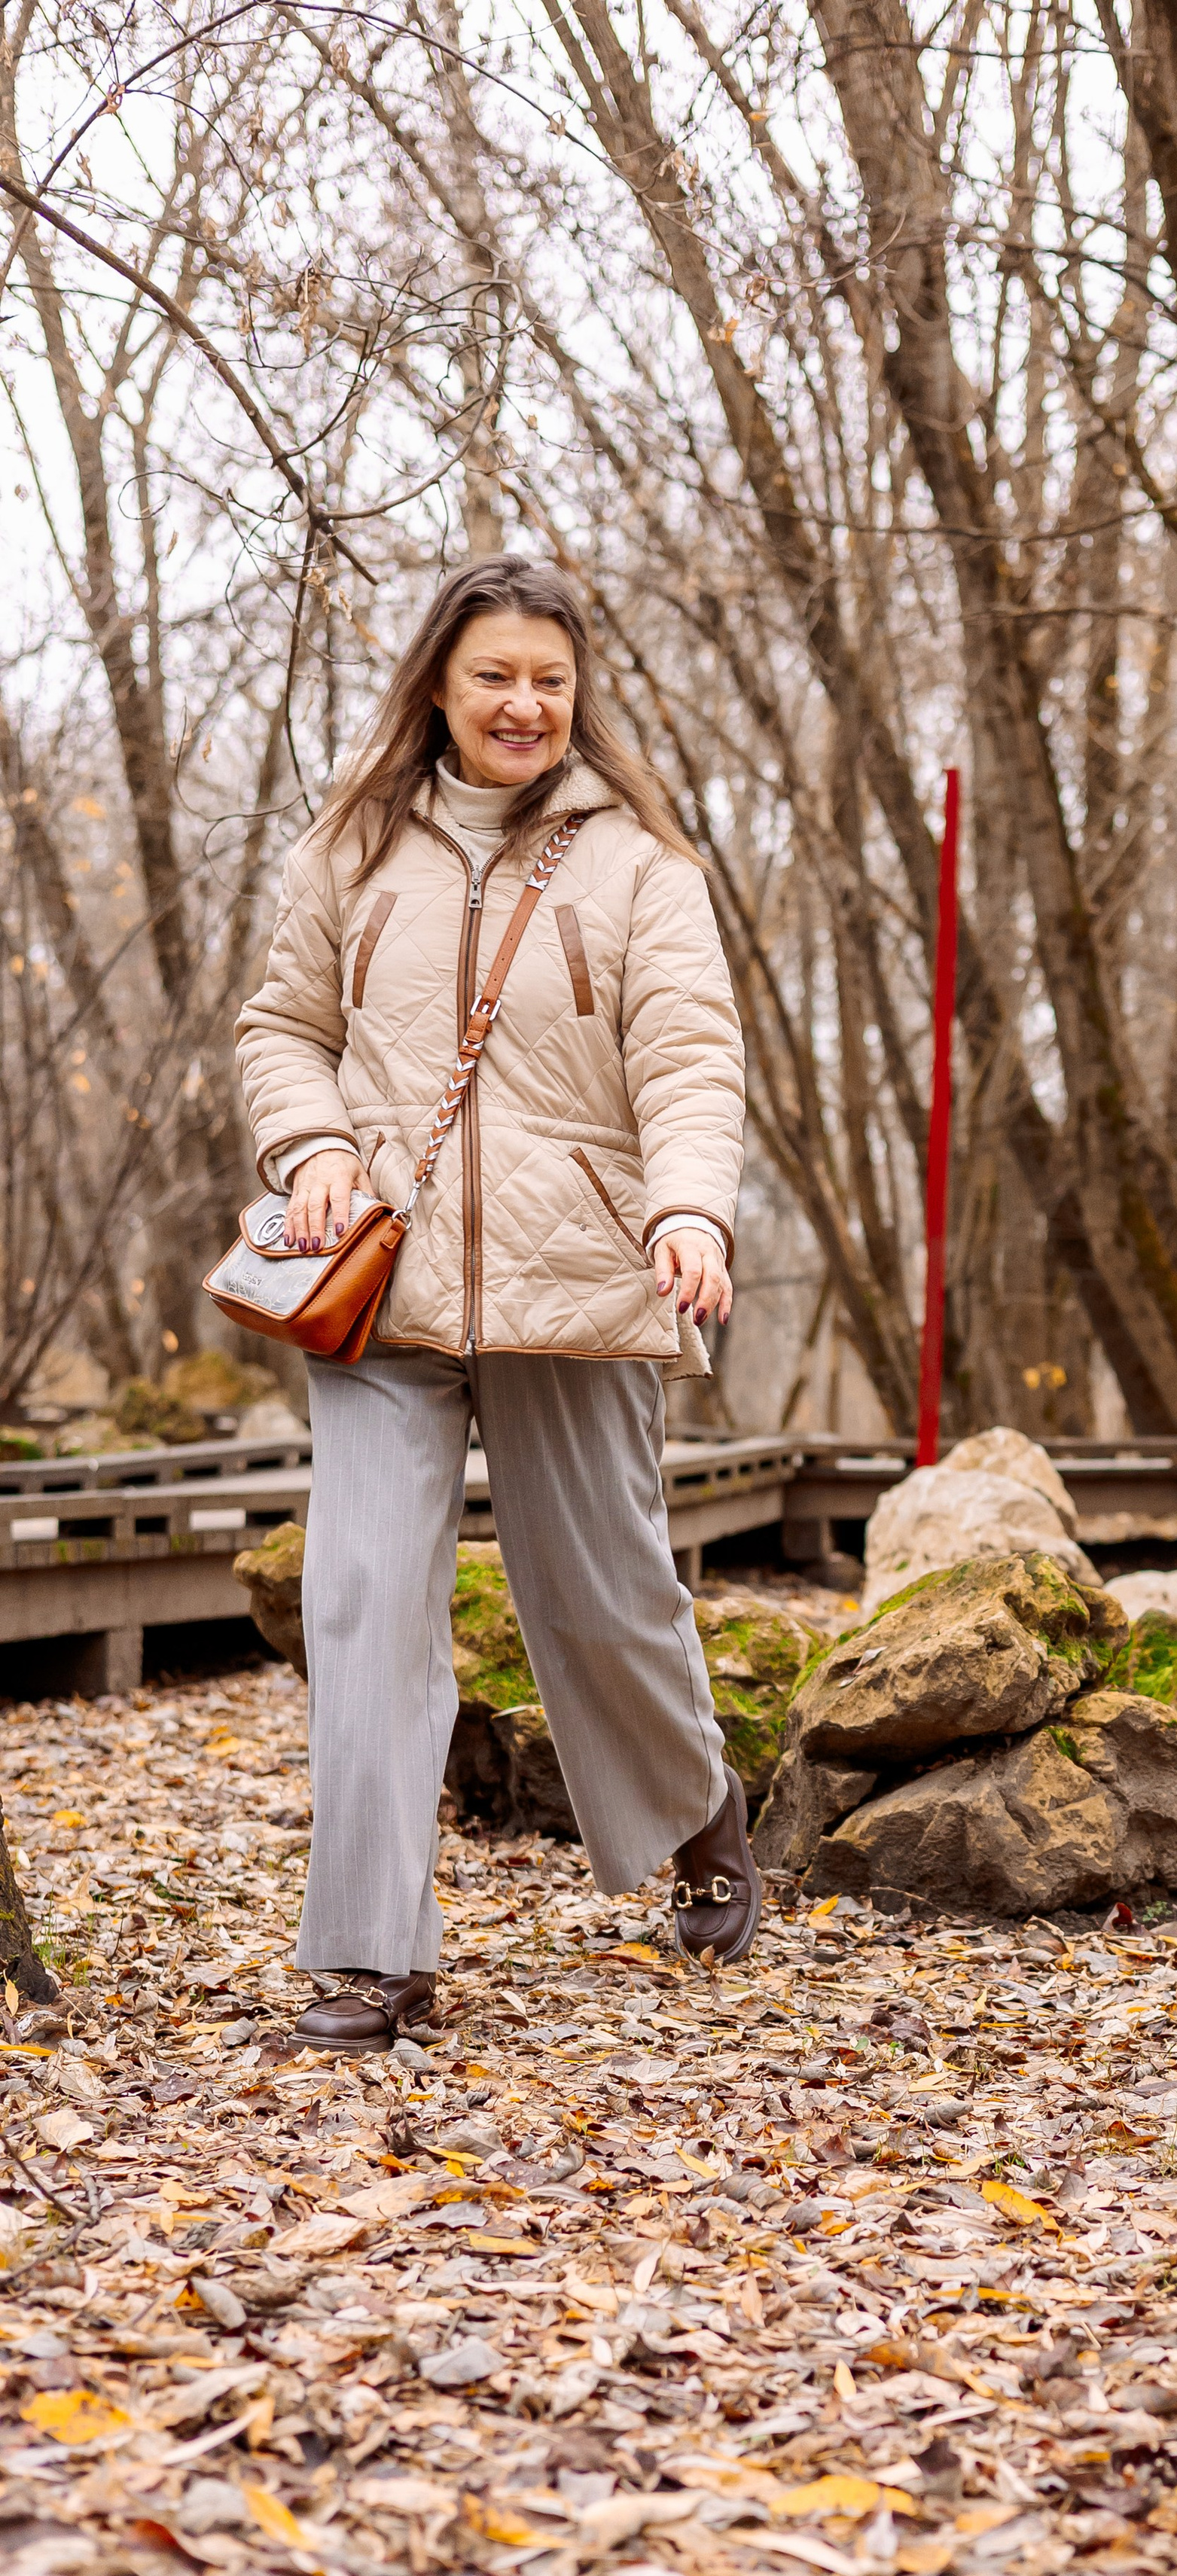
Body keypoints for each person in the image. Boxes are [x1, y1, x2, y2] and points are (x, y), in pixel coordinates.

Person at [234, 554, 759, 2049]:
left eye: (549, 679)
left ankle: (699, 1806)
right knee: (361, 1599)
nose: (524, 703)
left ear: (575, 696)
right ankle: (371, 1952)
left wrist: (686, 1206)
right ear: (439, 690)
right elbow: (282, 1029)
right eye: (494, 678)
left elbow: (688, 1060)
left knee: (602, 1598)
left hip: (581, 1279)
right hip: (380, 1284)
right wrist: (316, 1144)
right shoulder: (352, 845)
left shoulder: (640, 864)